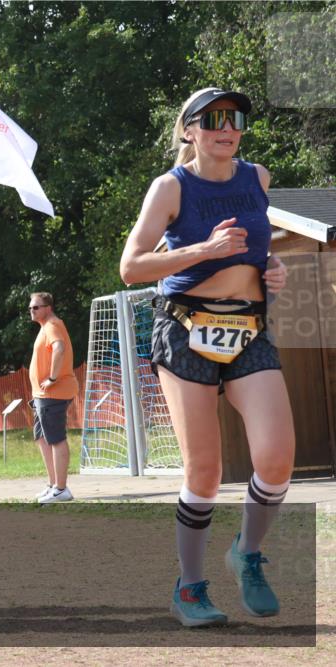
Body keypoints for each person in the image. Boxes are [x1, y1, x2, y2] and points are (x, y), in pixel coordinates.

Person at [120, 87, 292, 627]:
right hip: (185, 326)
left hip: (249, 327)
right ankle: (190, 588)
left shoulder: (257, 177)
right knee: (205, 469)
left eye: (235, 119)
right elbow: (131, 266)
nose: (227, 128)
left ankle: (247, 553)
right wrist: (202, 251)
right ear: (189, 130)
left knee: (277, 457)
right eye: (214, 119)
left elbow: (260, 246)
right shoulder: (170, 187)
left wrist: (272, 269)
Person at [27, 292, 78, 505]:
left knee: (56, 439)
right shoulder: (45, 326)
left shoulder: (52, 325)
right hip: (42, 395)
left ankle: (61, 489)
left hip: (53, 394)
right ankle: (53, 484)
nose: (31, 311)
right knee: (41, 437)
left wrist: (52, 378)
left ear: (48, 307)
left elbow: (59, 348)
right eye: (30, 308)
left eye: (36, 307)